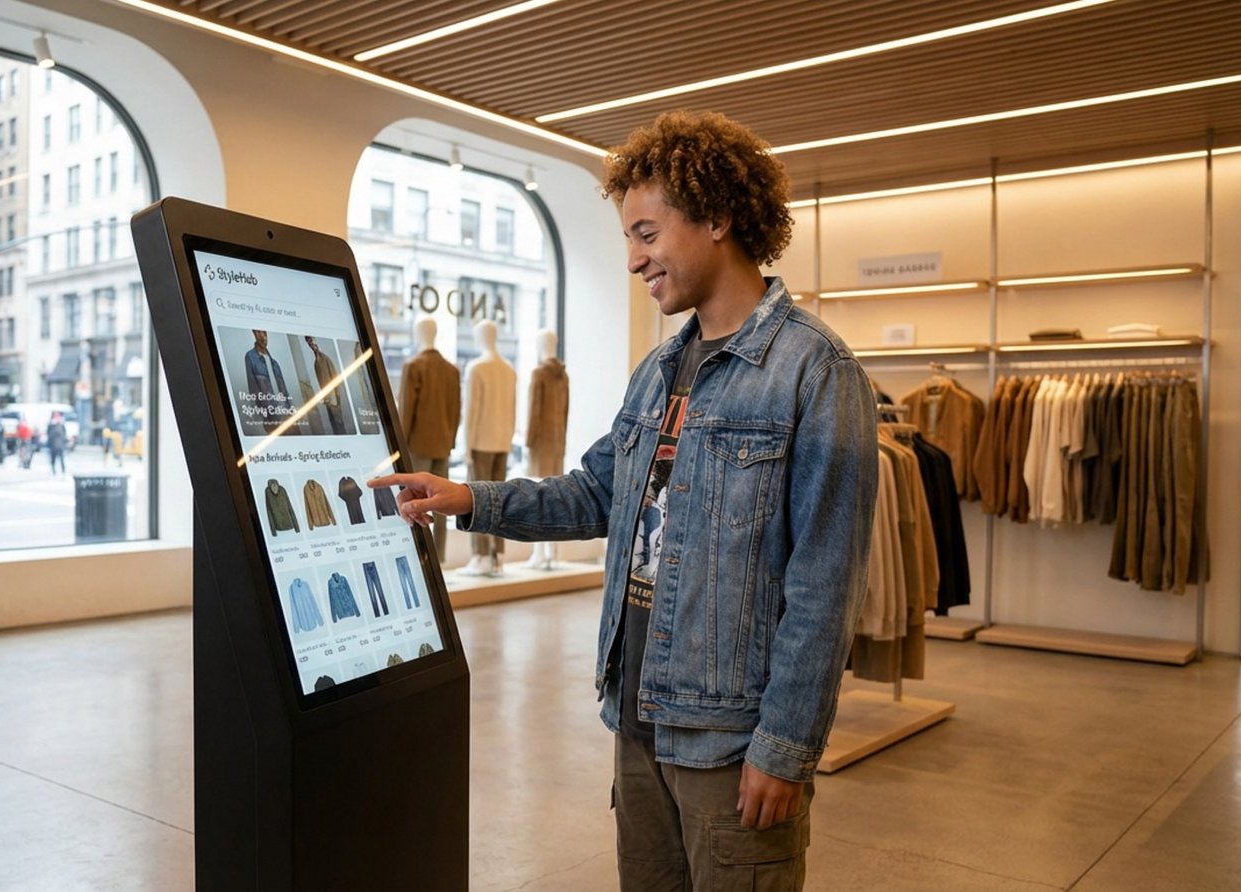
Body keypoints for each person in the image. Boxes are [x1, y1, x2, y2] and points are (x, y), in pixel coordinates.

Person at [370, 110, 877, 891]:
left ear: (716, 216)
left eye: (647, 234)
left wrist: (785, 745)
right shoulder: (660, 368)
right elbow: (598, 492)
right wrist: (467, 497)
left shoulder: (814, 371)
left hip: (729, 738)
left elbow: (826, 581)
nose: (634, 260)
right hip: (638, 716)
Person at [46, 412, 68, 476]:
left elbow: (64, 435)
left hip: (60, 445)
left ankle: (63, 470)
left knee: (61, 458)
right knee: (54, 458)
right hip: (54, 445)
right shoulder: (51, 425)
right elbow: (49, 434)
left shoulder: (61, 425)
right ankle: (54, 470)